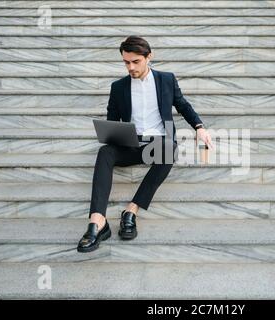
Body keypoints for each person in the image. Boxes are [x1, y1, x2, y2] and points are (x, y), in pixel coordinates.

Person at [77, 36, 213, 253]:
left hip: (157, 144)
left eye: (136, 62)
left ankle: (131, 211)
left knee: (170, 150)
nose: (130, 67)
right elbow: (112, 120)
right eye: (126, 62)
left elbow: (183, 105)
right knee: (105, 153)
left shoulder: (166, 80)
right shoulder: (118, 87)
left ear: (149, 57)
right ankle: (97, 222)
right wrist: (111, 133)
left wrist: (199, 127)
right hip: (130, 144)